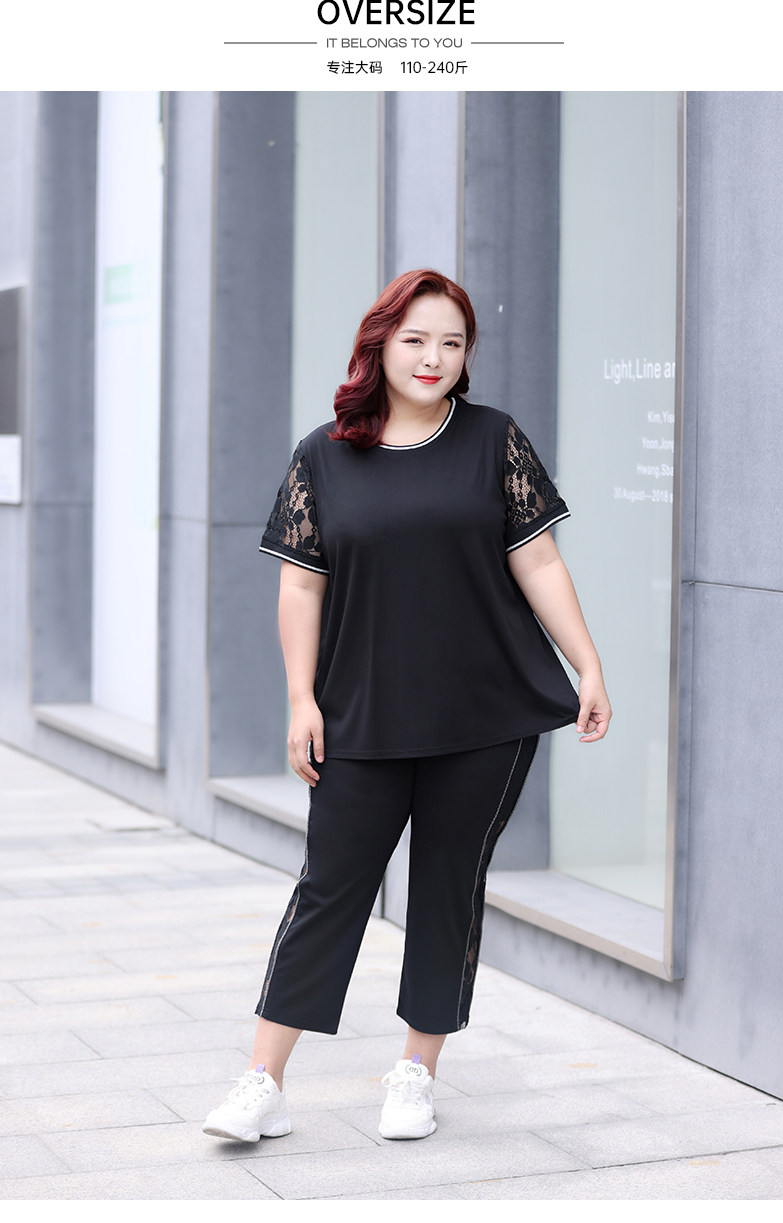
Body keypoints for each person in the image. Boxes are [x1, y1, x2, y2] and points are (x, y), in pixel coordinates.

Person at [202, 268, 612, 1144]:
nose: (434, 357)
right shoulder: (324, 454)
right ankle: (263, 1079)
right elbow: (300, 586)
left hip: (486, 715)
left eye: (452, 342)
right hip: (360, 712)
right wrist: (301, 698)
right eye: (417, 339)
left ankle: (417, 1072)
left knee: (448, 887)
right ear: (380, 344)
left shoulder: (494, 440)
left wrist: (588, 665)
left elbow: (539, 560)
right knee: (330, 885)